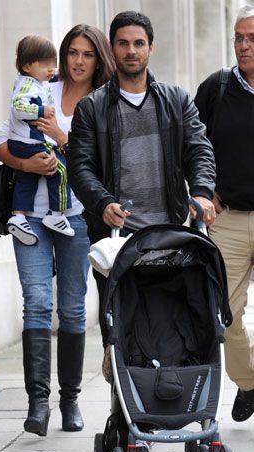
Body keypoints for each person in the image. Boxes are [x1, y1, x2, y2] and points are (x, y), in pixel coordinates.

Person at [67, 11, 216, 349]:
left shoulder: (177, 100)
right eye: (123, 44)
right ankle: (121, 400)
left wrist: (203, 192)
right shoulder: (92, 108)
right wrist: (103, 203)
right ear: (112, 48)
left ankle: (172, 397)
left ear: (151, 47)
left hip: (171, 236)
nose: (131, 51)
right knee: (120, 339)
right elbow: (81, 167)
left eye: (138, 43)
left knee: (175, 333)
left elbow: (199, 150)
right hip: (118, 242)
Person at [0, 24, 115, 436]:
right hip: (29, 217)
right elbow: (2, 142)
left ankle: (71, 401)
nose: (78, 61)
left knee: (73, 308)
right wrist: (27, 165)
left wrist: (63, 140)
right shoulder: (40, 87)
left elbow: (105, 167)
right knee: (37, 304)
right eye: (72, 53)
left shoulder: (103, 102)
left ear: (98, 60)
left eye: (87, 54)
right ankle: (38, 403)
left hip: (75, 218)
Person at [195, 5, 254, 422]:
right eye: (239, 38)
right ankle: (249, 382)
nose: (244, 46)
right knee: (226, 316)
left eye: (252, 38)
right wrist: (200, 190)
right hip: (228, 220)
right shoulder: (215, 88)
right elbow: (191, 145)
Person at [6, 34, 74, 244]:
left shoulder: (37, 82)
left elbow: (55, 78)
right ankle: (57, 215)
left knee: (27, 179)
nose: (51, 69)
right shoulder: (28, 85)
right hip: (29, 143)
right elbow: (18, 107)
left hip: (24, 142)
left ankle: (18, 216)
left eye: (53, 63)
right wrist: (42, 110)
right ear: (27, 66)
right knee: (60, 171)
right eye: (45, 64)